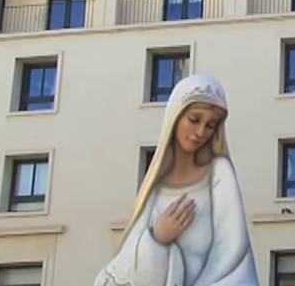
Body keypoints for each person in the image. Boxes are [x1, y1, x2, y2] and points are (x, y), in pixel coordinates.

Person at [95, 74, 259, 286]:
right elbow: (120, 271)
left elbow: (232, 255)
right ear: (175, 117)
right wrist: (157, 238)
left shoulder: (219, 174)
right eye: (194, 120)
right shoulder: (154, 191)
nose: (200, 132)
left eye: (210, 125)